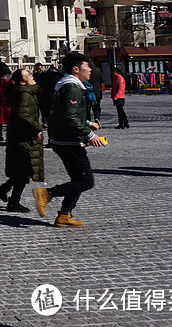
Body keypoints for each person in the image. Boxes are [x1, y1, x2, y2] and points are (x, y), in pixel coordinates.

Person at [32, 52, 106, 228]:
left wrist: (87, 123)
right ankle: (47, 194)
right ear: (76, 69)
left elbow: (65, 114)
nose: (90, 69)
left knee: (78, 180)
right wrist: (90, 135)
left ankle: (64, 215)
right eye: (87, 66)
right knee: (86, 181)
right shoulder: (71, 86)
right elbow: (70, 118)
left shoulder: (69, 85)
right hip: (68, 141)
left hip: (63, 139)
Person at [0, 68, 44, 212]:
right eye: (28, 76)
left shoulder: (26, 92)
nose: (32, 76)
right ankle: (12, 201)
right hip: (22, 137)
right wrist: (37, 129)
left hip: (20, 136)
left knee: (23, 170)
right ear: (22, 82)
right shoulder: (24, 94)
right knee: (25, 170)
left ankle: (5, 191)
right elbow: (24, 117)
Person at [88, 59, 104, 124]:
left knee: (88, 107)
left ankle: (88, 121)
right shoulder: (98, 70)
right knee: (96, 106)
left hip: (89, 92)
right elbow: (102, 80)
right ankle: (97, 118)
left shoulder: (87, 71)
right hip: (97, 92)